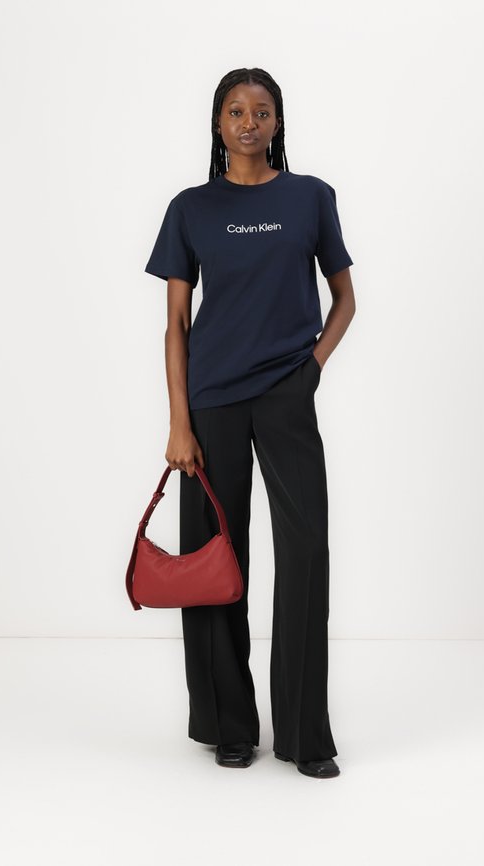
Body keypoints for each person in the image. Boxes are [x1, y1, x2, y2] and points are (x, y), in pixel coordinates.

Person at [144, 67, 356, 779]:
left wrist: (311, 369)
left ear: (277, 122)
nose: (248, 123)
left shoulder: (311, 197)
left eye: (261, 112)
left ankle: (304, 734)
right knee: (214, 556)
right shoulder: (190, 208)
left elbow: (345, 299)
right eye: (235, 111)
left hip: (287, 393)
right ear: (218, 123)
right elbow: (176, 324)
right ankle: (227, 725)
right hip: (212, 401)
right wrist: (179, 421)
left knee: (306, 554)